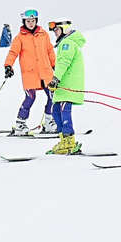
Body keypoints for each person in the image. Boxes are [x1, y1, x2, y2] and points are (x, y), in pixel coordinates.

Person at [2, 10, 57, 136]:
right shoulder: (20, 38)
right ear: (24, 22)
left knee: (52, 97)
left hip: (46, 73)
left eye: (33, 21)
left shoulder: (44, 35)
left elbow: (50, 51)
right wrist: (8, 66)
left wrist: (54, 65)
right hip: (30, 74)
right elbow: (13, 53)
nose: (31, 23)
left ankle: (49, 122)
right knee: (30, 98)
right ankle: (20, 124)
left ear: (36, 21)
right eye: (28, 21)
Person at [45, 21, 87, 155]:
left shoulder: (66, 44)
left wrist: (55, 79)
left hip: (67, 85)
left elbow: (64, 62)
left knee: (63, 110)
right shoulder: (67, 43)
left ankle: (70, 141)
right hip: (64, 86)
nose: (55, 33)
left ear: (64, 30)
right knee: (56, 110)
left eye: (57, 30)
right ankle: (64, 139)